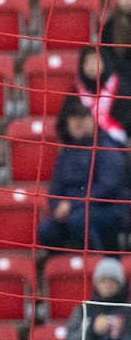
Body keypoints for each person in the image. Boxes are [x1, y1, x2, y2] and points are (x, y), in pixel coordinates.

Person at [40, 99, 128, 253]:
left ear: (92, 120)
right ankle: (63, 270)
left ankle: (98, 263)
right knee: (46, 230)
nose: (77, 123)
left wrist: (73, 204)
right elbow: (55, 188)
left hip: (107, 209)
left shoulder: (105, 146)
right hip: (73, 210)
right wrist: (57, 207)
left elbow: (108, 187)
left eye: (82, 118)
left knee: (79, 220)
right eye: (73, 119)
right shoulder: (67, 151)